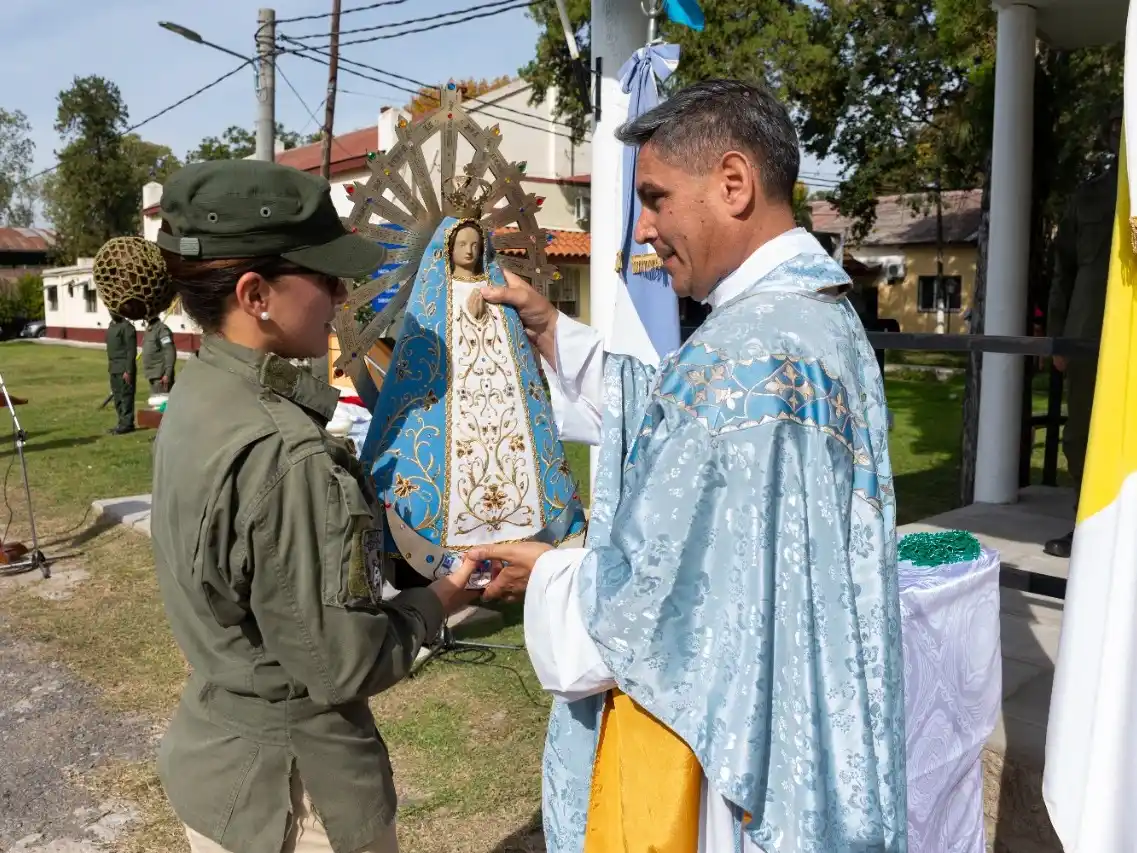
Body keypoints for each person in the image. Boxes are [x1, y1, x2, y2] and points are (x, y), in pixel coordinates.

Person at [467, 79, 907, 852]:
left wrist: (544, 575)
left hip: (720, 755)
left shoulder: (747, 352)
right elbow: (677, 415)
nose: (644, 228)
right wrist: (551, 331)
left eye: (656, 197)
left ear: (732, 183)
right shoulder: (812, 321)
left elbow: (653, 605)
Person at [145, 159, 480, 853]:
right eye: (322, 277)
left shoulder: (204, 392)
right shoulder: (285, 453)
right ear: (254, 293)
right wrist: (444, 597)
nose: (338, 292)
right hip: (295, 797)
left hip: (219, 764)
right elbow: (342, 665)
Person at [1045, 103, 1122, 558]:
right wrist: (1059, 335)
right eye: (1113, 126)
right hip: (1087, 333)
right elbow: (1064, 271)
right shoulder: (1089, 197)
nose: (1120, 133)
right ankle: (1088, 523)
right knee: (1082, 436)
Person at [105, 312, 137, 434]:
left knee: (126, 396)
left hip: (124, 369)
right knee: (117, 396)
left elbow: (131, 351)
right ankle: (121, 422)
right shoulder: (111, 326)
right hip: (113, 368)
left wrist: (128, 370)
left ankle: (128, 424)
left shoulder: (127, 327)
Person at [142, 313, 177, 394]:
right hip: (152, 375)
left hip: (161, 377)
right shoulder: (149, 329)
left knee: (163, 404)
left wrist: (167, 374)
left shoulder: (162, 329)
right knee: (156, 403)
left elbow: (170, 351)